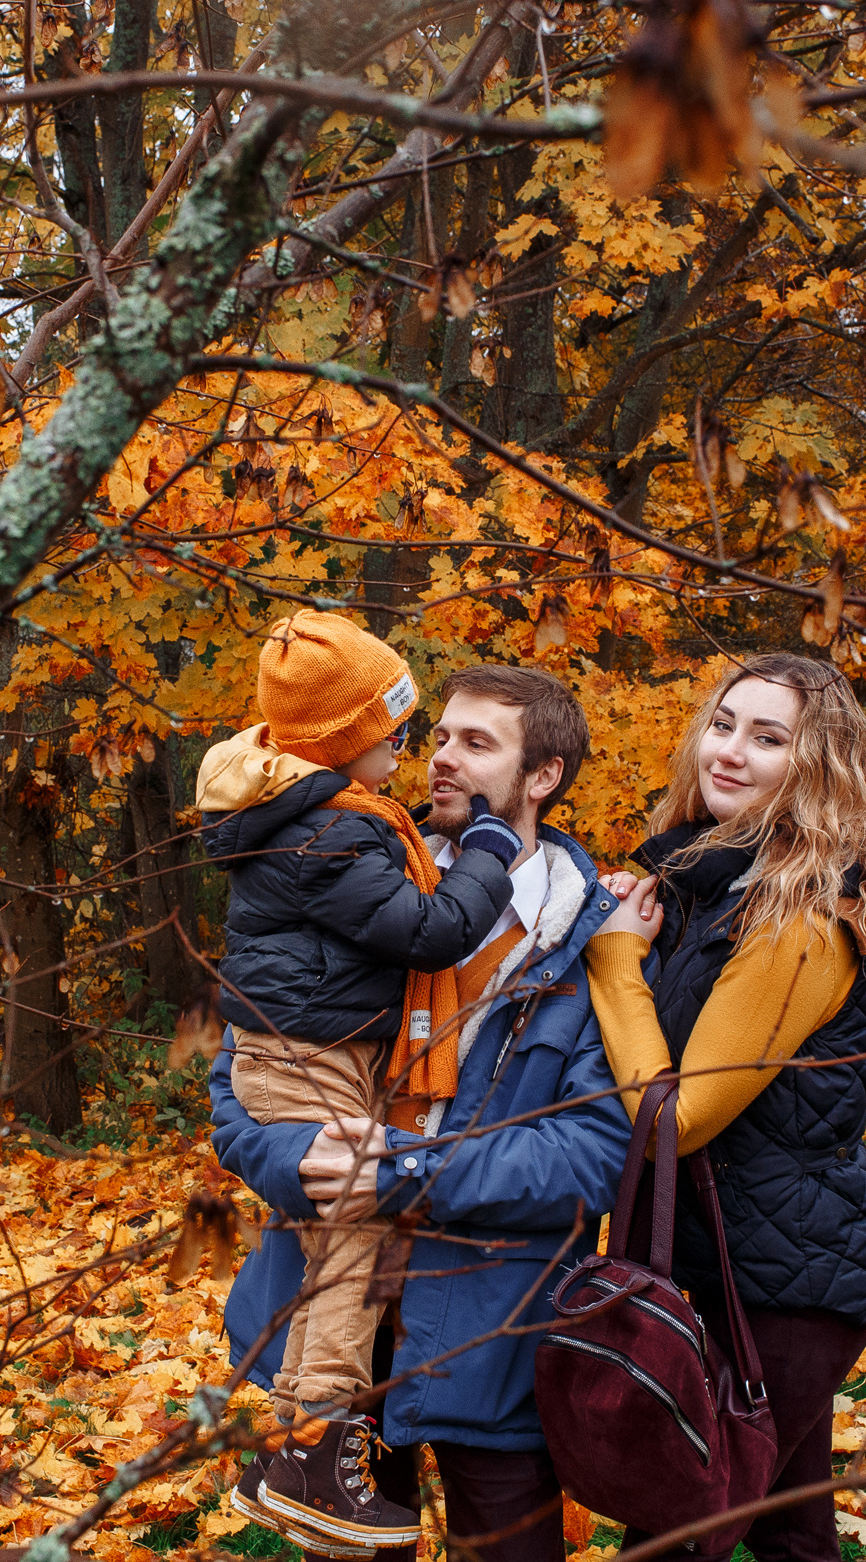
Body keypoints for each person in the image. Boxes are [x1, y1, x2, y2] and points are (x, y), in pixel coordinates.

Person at [212, 664, 632, 1562]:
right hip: (331, 1324)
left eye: (477, 744)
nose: (440, 758)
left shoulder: (591, 939)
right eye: (439, 735)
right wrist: (296, 1161)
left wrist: (406, 1169)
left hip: (490, 1328)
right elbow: (241, 1085)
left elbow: (594, 1153)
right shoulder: (351, 875)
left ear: (543, 776)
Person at [195, 613, 534, 1552]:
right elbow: (428, 932)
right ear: (345, 744)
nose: (412, 746)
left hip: (308, 1057)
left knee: (332, 1246)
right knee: (353, 1237)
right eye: (395, 728)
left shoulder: (333, 821)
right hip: (305, 1066)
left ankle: (293, 1447)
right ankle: (315, 1447)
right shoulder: (334, 836)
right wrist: (489, 852)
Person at [587, 653, 866, 1562]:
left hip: (789, 1284)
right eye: (725, 723)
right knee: (792, 1531)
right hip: (740, 1262)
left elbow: (675, 1117)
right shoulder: (719, 883)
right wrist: (640, 925)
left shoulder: (799, 918)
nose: (729, 751)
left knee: (675, 1525)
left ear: (814, 767)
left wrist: (616, 963)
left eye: (768, 737)